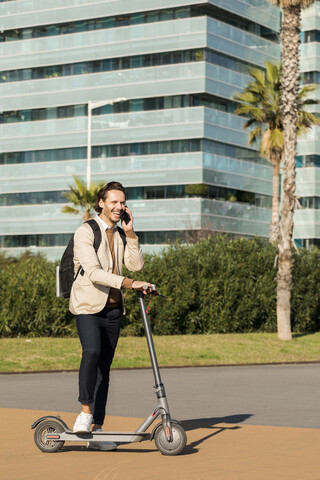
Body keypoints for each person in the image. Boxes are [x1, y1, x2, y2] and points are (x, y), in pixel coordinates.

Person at [70, 181, 152, 451]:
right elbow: (93, 272)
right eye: (114, 202)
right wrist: (130, 283)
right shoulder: (85, 232)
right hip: (87, 305)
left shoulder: (120, 233)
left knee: (104, 369)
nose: (119, 207)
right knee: (91, 351)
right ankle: (84, 412)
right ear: (101, 203)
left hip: (113, 308)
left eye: (122, 202)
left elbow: (136, 265)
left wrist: (131, 234)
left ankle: (98, 429)